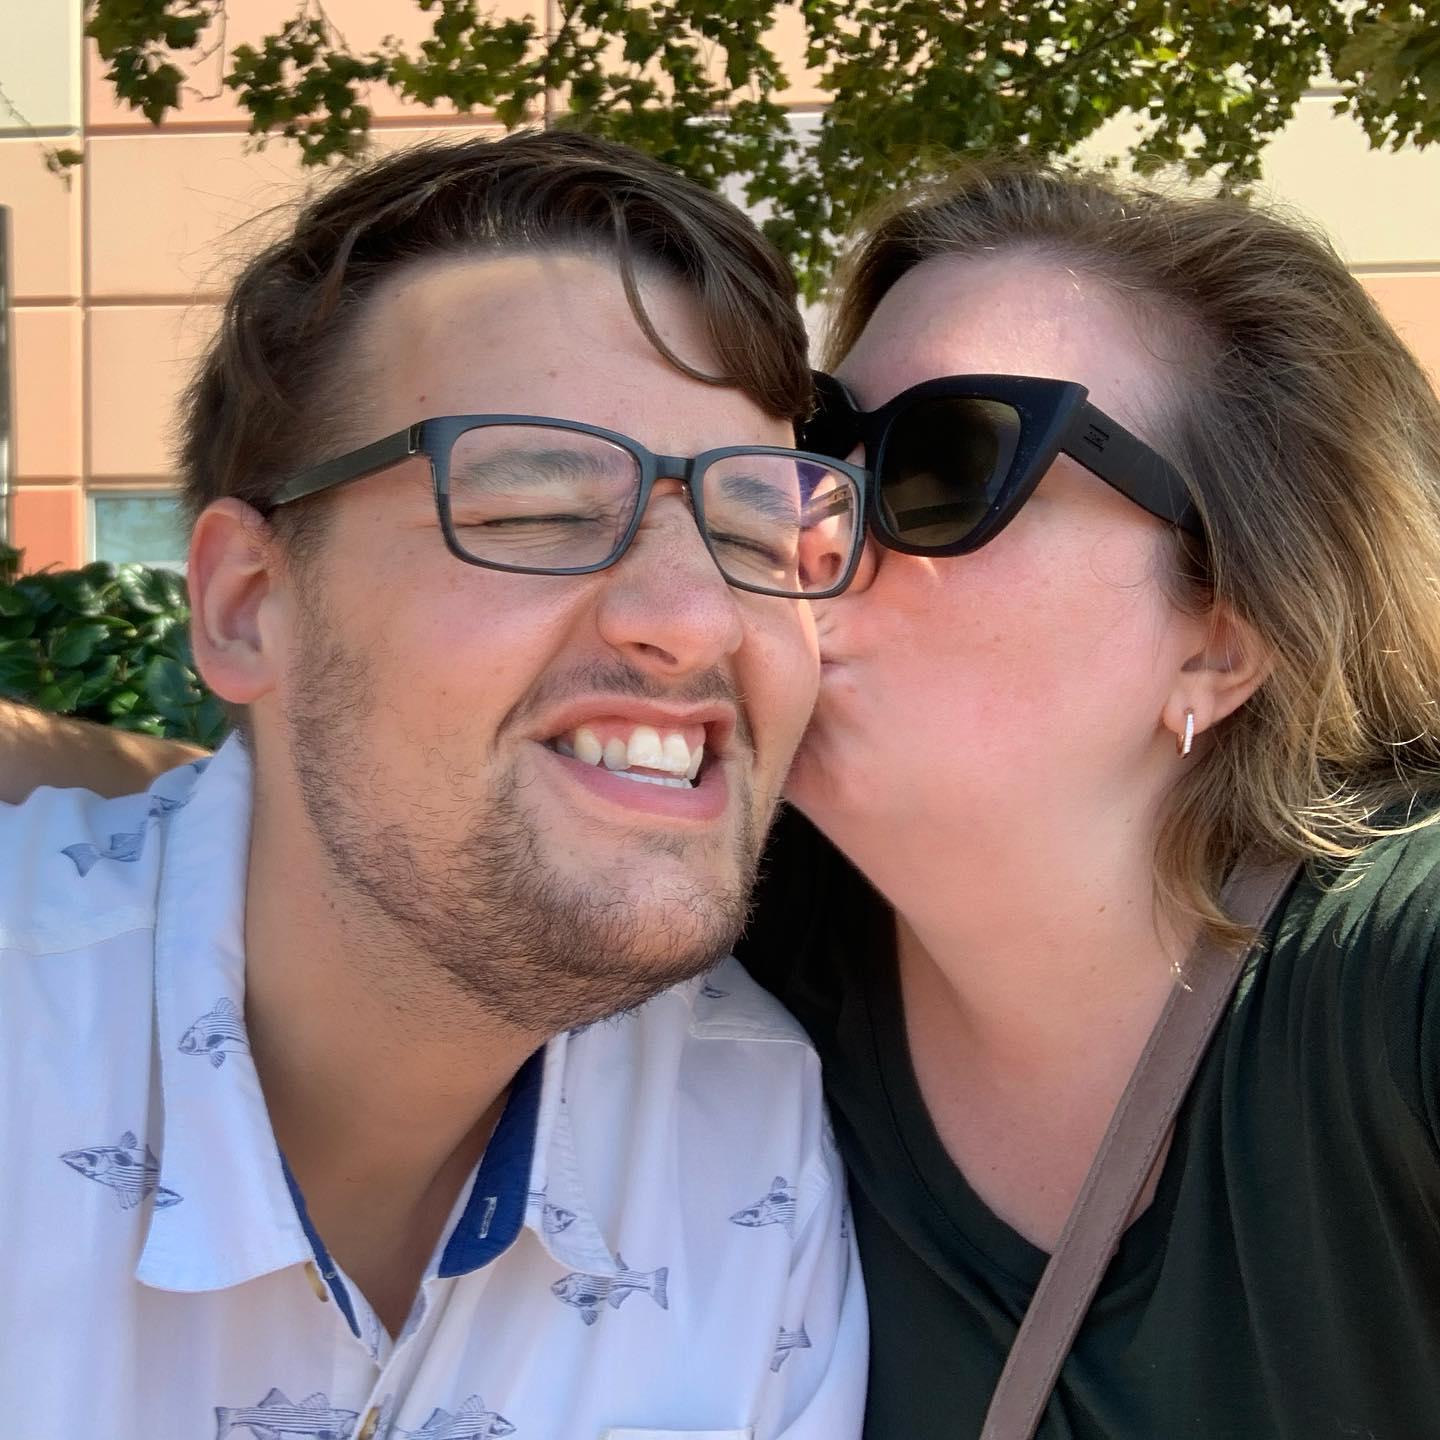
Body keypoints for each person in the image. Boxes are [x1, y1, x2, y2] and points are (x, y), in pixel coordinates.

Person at [15, 155, 1440, 1440]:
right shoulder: (724, 947)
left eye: (940, 470)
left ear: (1226, 629)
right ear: (247, 601)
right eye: (535, 507)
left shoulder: (741, 1104)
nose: (745, 595)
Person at [0, 132, 868, 1439]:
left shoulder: (747, 1134)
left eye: (755, 533)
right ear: (247, 607)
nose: (698, 620)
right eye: (536, 510)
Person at [742, 160, 1440, 1437]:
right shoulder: (704, 985)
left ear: (1222, 637)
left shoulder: (1398, 981)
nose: (810, 533)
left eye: (944, 466)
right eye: (810, 448)